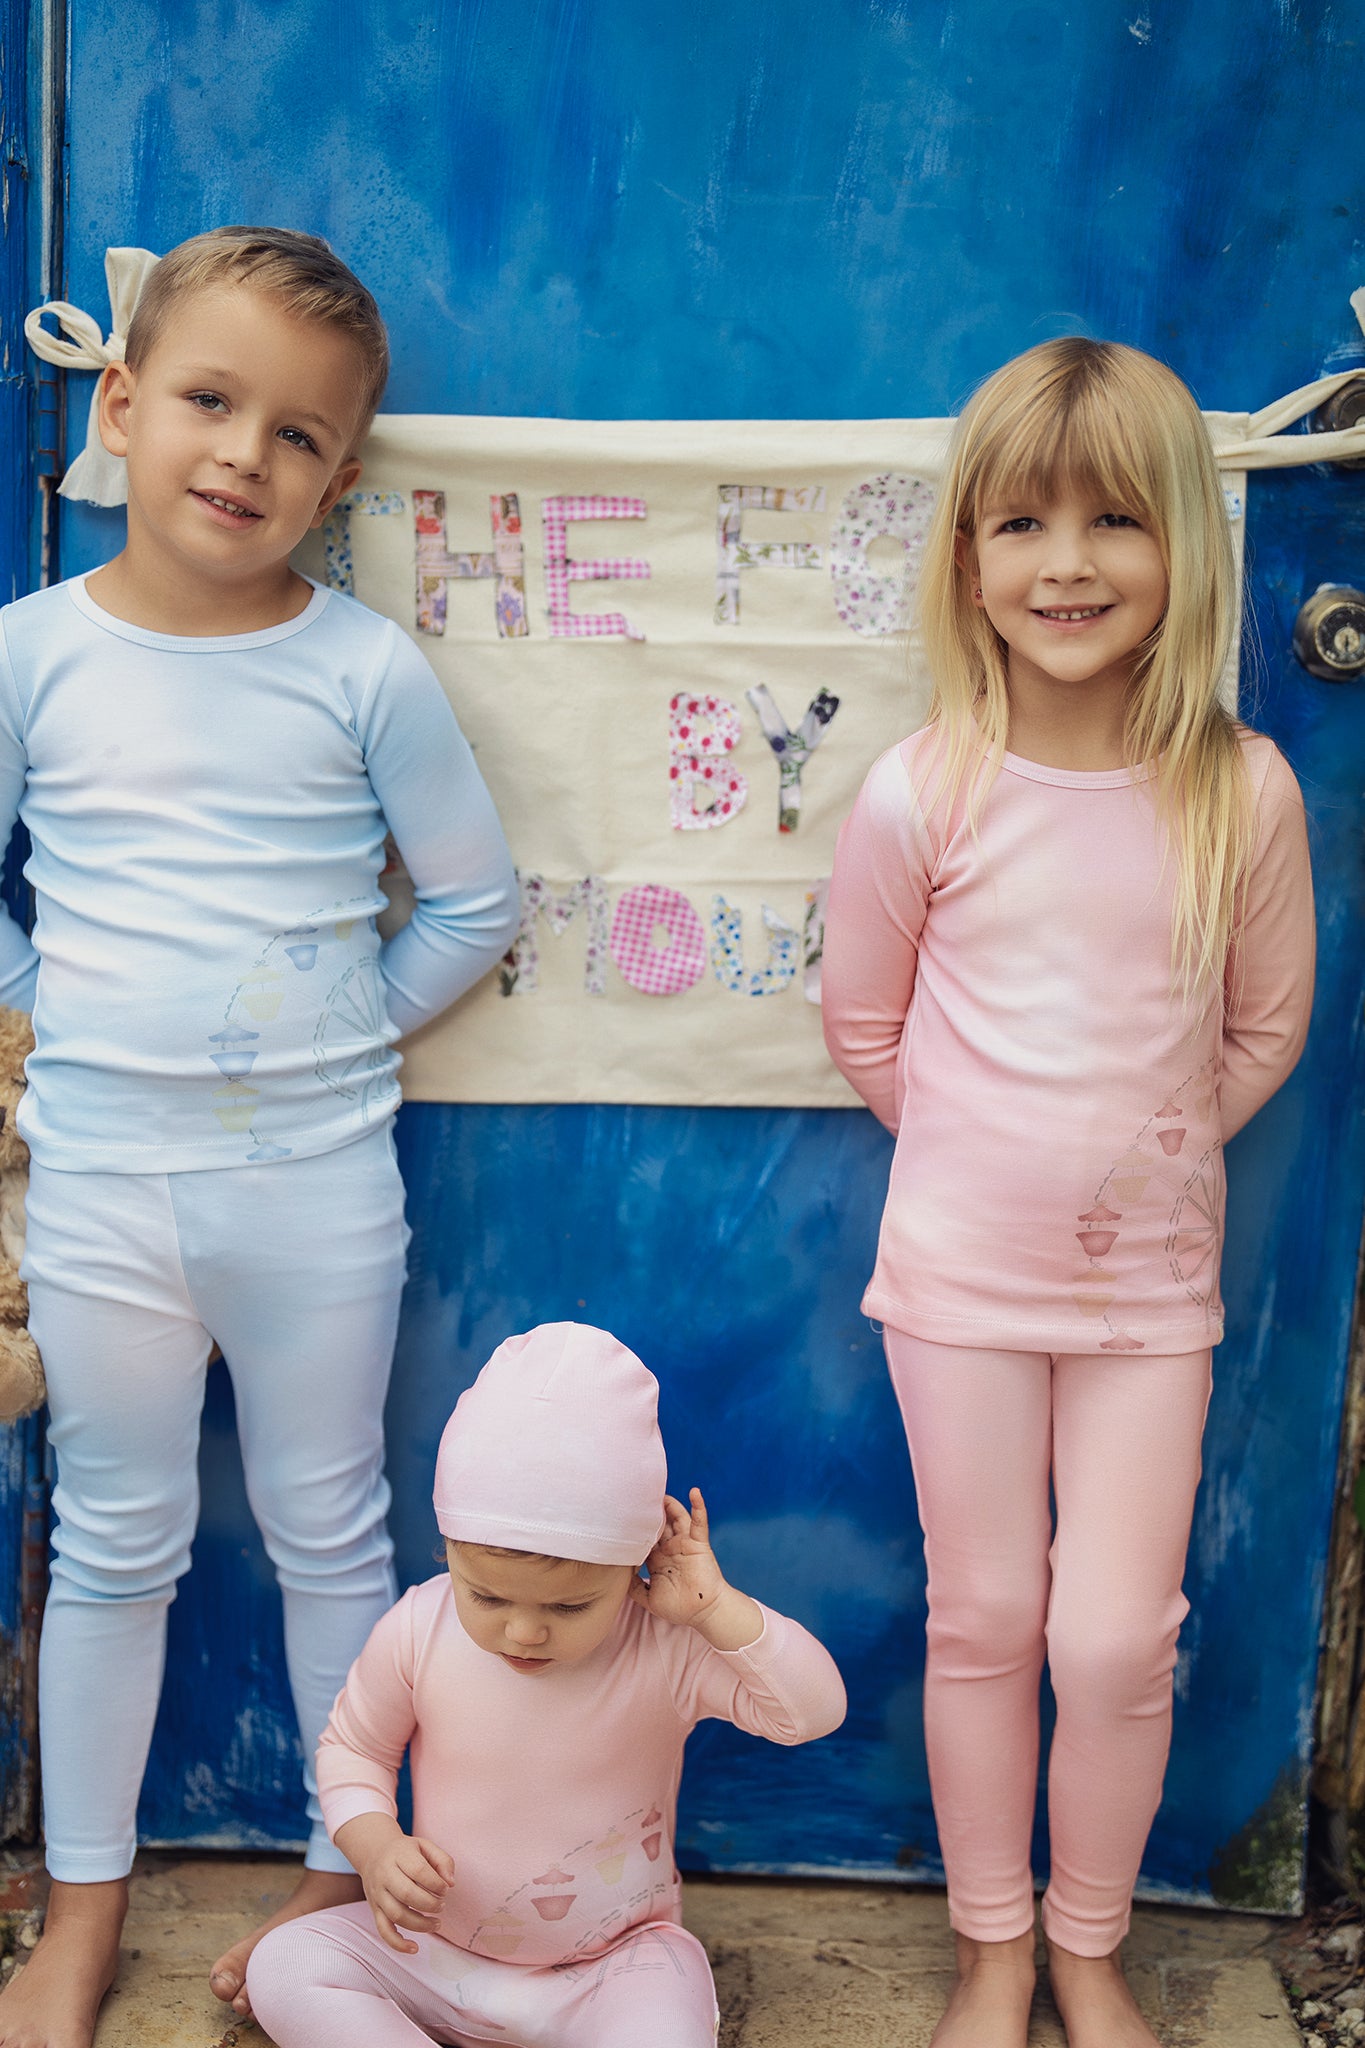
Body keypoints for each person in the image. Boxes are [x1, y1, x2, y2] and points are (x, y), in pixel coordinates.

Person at [0, 227, 520, 2048]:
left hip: (314, 1184)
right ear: (123, 411)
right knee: (112, 1544)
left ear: (343, 477)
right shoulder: (30, 657)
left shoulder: (360, 669)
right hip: (98, 1188)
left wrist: (323, 1040)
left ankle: (332, 1862)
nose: (245, 455)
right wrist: (33, 1007)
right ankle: (82, 1906)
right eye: (210, 402)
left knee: (329, 1531)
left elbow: (472, 903)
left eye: (299, 435)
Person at [821, 337, 1314, 2048]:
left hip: (1147, 1298)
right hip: (957, 1283)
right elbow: (866, 1028)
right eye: (1022, 522)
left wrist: (1139, 1157)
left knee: (1113, 1635)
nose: (1070, 563)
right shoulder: (923, 788)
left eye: (1116, 519)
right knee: (989, 1615)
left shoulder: (1239, 792)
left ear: (1185, 542)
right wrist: (979, 1151)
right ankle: (993, 1948)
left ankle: (1091, 1946)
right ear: (968, 551)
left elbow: (1262, 1029)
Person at [243, 1319, 847, 2046]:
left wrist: (717, 1611)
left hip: (611, 1966)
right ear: (449, 1553)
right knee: (285, 1962)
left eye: (568, 1606)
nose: (522, 1631)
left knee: (662, 2025)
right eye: (487, 1597)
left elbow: (809, 1714)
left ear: (635, 1564)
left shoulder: (666, 1643)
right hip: (437, 1955)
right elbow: (354, 1750)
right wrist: (375, 1846)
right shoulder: (417, 1628)